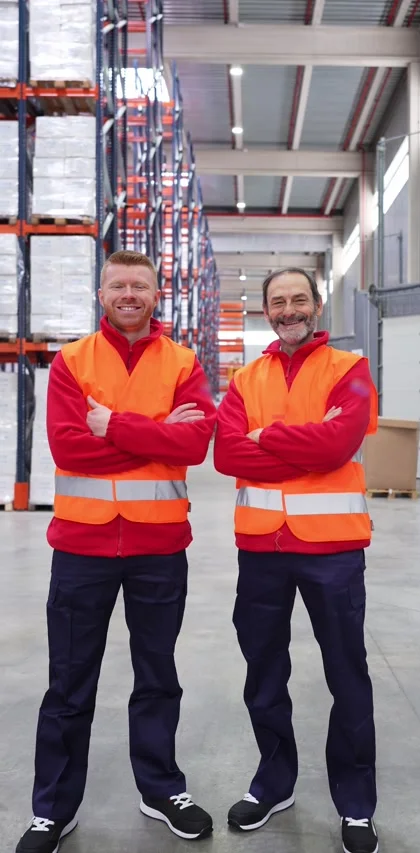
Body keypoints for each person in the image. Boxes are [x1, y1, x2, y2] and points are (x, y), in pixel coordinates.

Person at [17, 250, 217, 853]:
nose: (129, 293)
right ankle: (53, 809)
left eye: (140, 285)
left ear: (156, 295)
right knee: (69, 681)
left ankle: (161, 789)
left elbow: (196, 441)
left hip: (159, 545)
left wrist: (116, 426)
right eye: (118, 285)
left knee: (158, 676)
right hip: (83, 546)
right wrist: (156, 433)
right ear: (99, 293)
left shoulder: (182, 362)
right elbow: (69, 449)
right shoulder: (73, 361)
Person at [214, 267, 379, 853]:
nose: (289, 310)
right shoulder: (244, 379)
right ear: (266, 310)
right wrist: (293, 442)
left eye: (299, 300)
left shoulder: (350, 371)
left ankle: (356, 805)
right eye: (278, 301)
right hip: (261, 549)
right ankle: (273, 782)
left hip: (332, 550)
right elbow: (226, 454)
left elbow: (340, 443)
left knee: (347, 676)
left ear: (315, 305)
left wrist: (266, 438)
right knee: (263, 673)